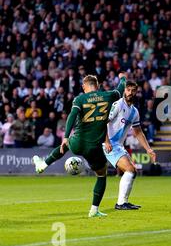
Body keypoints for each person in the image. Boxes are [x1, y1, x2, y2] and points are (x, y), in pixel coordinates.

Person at [33, 73, 127, 218]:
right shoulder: (108, 95)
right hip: (94, 146)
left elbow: (72, 115)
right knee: (101, 175)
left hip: (78, 142)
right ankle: (94, 210)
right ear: (98, 85)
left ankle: (43, 165)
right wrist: (122, 77)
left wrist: (65, 137)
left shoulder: (80, 98)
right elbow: (120, 89)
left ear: (84, 86)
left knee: (65, 146)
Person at [103, 81, 156, 210]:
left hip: (118, 145)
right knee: (130, 170)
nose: (130, 93)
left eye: (133, 90)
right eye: (128, 90)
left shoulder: (134, 112)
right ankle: (121, 203)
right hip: (108, 143)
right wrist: (107, 141)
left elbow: (138, 132)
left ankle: (123, 202)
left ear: (136, 92)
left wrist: (148, 149)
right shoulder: (118, 105)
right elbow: (103, 122)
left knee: (133, 171)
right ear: (124, 91)